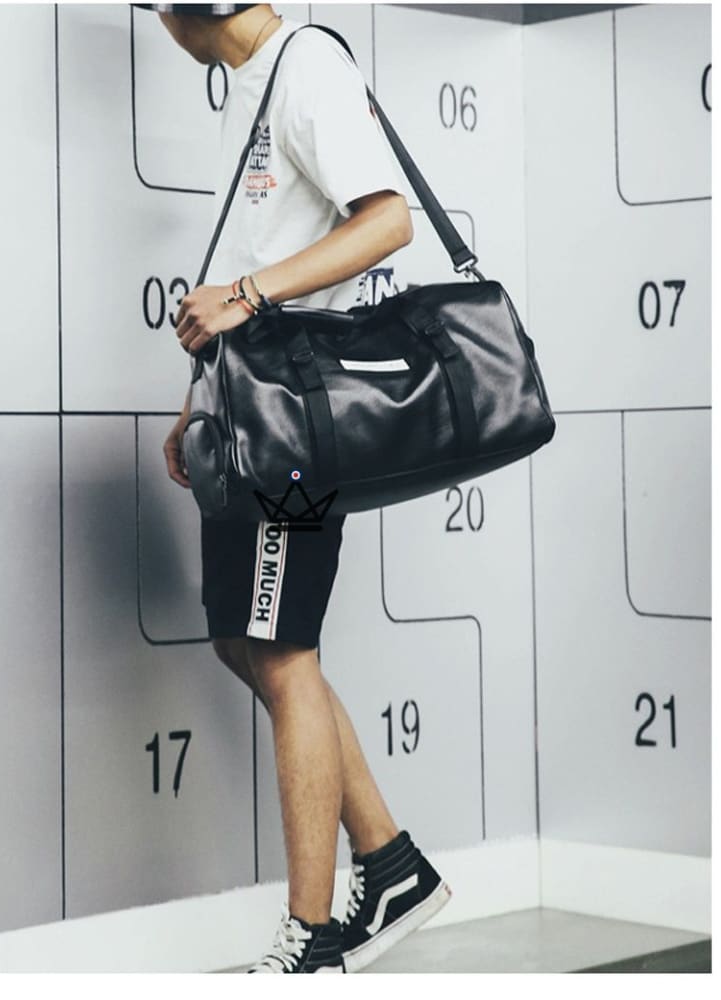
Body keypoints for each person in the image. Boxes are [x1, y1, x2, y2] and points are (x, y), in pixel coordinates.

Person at [154, 2, 452, 973]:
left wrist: (245, 298)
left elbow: (388, 221)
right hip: (249, 412)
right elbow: (250, 255)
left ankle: (313, 938)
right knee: (245, 641)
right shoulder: (251, 83)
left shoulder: (306, 64)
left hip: (297, 423)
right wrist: (201, 401)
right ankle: (393, 865)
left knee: (282, 653)